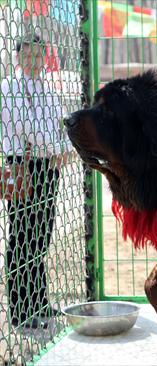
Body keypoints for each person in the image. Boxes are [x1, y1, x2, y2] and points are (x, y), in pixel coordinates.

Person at [1, 34, 71, 328]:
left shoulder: (48, 89)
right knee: (22, 235)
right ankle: (20, 308)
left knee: (41, 236)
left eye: (39, 56)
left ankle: (38, 300)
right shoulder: (10, 88)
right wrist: (59, 149)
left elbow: (63, 123)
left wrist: (66, 148)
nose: (33, 62)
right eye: (28, 56)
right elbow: (29, 130)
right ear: (18, 57)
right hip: (23, 167)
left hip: (48, 167)